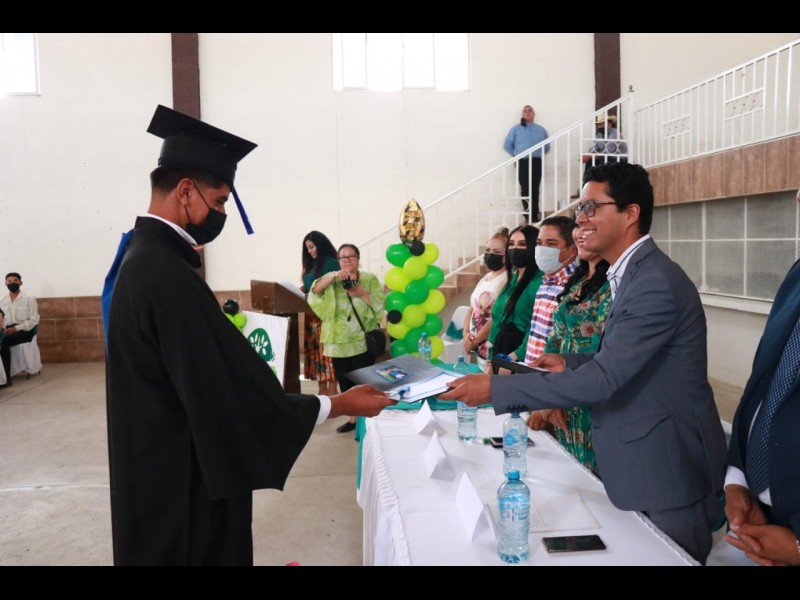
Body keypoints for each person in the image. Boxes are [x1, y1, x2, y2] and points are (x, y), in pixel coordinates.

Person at [104, 105, 394, 566]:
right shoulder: (163, 274)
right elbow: (228, 394)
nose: (222, 213)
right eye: (220, 201)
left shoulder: (143, 260)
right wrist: (337, 404)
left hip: (156, 472)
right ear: (186, 192)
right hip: (181, 492)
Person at [442, 162, 728, 564]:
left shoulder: (653, 281)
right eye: (580, 208)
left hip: (665, 470)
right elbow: (631, 358)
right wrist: (571, 361)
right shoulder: (631, 273)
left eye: (592, 207)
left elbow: (606, 379)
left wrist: (496, 389)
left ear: (630, 213)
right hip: (642, 460)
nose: (581, 219)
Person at [722, 188, 800, 567]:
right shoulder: (796, 275)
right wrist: (738, 479)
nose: (798, 197)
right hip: (758, 519)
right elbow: (763, 387)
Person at [528, 226, 611, 476]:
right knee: (567, 472)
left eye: (590, 228)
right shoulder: (577, 279)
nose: (581, 234)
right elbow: (554, 339)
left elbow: (600, 351)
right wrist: (548, 396)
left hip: (587, 394)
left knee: (590, 477)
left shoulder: (612, 285)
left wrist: (557, 395)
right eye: (578, 227)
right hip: (561, 395)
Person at [307, 243, 386, 434]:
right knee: (345, 382)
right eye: (343, 257)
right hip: (337, 341)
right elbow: (315, 291)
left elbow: (379, 304)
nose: (347, 260)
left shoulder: (369, 279)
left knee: (364, 382)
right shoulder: (331, 278)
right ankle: (353, 419)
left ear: (358, 259)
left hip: (361, 339)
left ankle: (366, 419)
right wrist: (334, 275)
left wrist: (362, 293)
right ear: (338, 260)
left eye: (351, 256)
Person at [484, 224, 543, 374]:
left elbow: (538, 328)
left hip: (522, 357)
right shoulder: (512, 279)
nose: (515, 249)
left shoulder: (540, 281)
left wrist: (516, 356)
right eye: (511, 244)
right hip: (500, 354)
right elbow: (497, 320)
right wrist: (491, 360)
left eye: (522, 244)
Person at [522, 216, 579, 367]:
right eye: (539, 243)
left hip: (552, 376)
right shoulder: (545, 282)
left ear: (572, 251)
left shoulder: (575, 287)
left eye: (551, 244)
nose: (542, 249)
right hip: (532, 371)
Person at [462, 227, 509, 372]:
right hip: (478, 350)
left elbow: (497, 317)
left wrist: (474, 341)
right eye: (487, 250)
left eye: (497, 252)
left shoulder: (507, 279)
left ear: (507, 256)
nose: (490, 255)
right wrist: (466, 334)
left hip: (490, 350)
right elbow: (471, 309)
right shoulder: (486, 278)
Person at [301, 231, 340, 396]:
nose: (310, 251)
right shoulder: (313, 264)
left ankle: (332, 390)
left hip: (326, 316)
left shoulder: (331, 263)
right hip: (312, 317)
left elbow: (330, 288)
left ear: (320, 244)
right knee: (317, 355)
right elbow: (311, 287)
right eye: (307, 248)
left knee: (328, 355)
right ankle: (322, 389)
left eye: (312, 247)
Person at [503, 105, 550, 221]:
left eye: (530, 111)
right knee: (525, 188)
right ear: (522, 114)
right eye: (525, 111)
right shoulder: (516, 129)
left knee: (535, 188)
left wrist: (537, 153)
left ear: (533, 114)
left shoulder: (541, 130)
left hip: (536, 162)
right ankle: (527, 215)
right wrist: (517, 155)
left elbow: (547, 146)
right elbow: (507, 144)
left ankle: (534, 215)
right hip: (522, 162)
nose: (527, 113)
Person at [0, 272, 40, 385]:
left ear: (21, 282)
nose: (12, 283)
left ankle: (6, 379)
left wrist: (16, 328)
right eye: (9, 281)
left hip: (25, 331)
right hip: (6, 329)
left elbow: (34, 320)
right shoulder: (2, 300)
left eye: (15, 281)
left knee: (4, 341)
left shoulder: (29, 298)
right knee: (2, 338)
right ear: (5, 283)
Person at [582, 113, 628, 179]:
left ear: (610, 124)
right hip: (607, 159)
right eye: (598, 124)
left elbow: (608, 151)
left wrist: (589, 156)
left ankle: (602, 181)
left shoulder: (615, 133)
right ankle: (587, 182)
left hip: (619, 160)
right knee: (591, 161)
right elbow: (594, 149)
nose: (599, 126)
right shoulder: (599, 135)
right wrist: (587, 155)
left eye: (602, 124)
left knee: (604, 158)